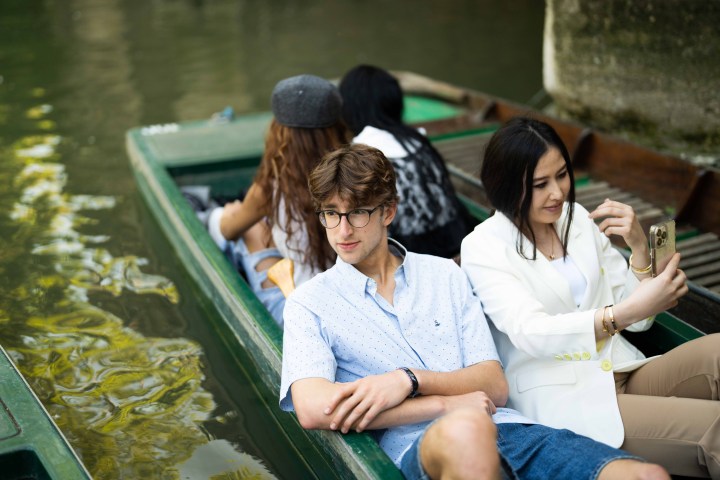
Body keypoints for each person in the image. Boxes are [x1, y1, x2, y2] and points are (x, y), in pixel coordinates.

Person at [279, 143, 669, 480]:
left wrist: (408, 380)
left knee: (647, 473)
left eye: (358, 212)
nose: (342, 230)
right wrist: (444, 404)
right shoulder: (310, 303)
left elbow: (493, 385)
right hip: (422, 448)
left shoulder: (445, 274)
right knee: (465, 427)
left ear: (388, 211)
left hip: (510, 430)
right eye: (331, 213)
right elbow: (314, 408)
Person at [461, 116, 720, 479]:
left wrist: (639, 249)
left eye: (562, 175)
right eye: (540, 184)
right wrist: (621, 315)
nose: (557, 193)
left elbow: (641, 319)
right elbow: (530, 331)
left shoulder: (576, 218)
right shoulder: (483, 247)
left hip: (623, 367)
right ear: (505, 187)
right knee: (714, 428)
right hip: (569, 399)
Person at [207, 74, 348, 324]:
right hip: (352, 304)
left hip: (299, 317)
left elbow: (227, 231)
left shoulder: (273, 186)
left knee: (242, 227)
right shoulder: (358, 171)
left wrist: (228, 214)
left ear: (278, 131)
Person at [338, 64, 474, 258]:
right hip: (457, 239)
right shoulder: (417, 141)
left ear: (350, 108)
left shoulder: (360, 155)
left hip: (411, 255)